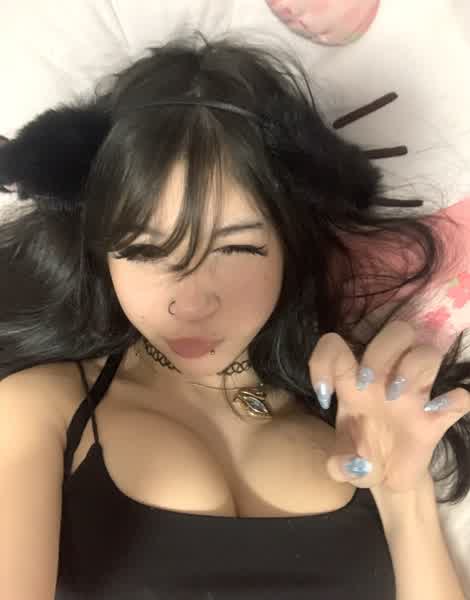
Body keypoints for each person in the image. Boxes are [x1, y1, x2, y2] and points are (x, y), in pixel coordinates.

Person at [0, 30, 469, 600]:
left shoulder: (359, 424)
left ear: (290, 246)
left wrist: (405, 495)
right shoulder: (40, 409)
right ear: (102, 254)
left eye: (237, 248)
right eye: (144, 250)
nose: (191, 300)